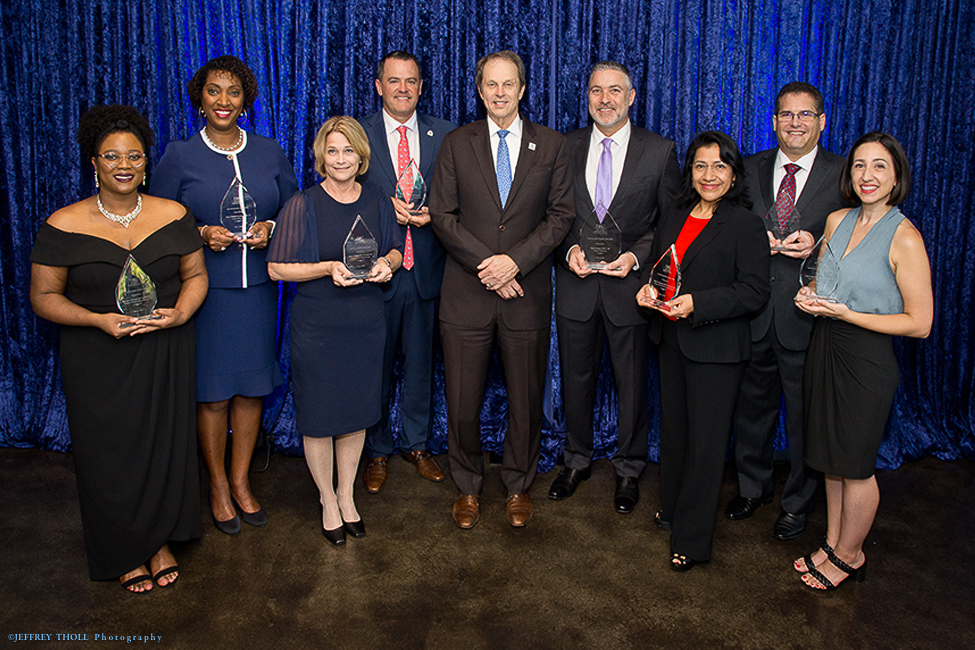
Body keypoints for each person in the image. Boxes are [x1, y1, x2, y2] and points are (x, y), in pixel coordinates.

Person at [30, 105, 207, 592]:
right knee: (110, 452)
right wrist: (95, 320)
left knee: (164, 445)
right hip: (97, 358)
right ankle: (124, 549)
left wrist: (182, 313)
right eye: (112, 157)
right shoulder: (63, 224)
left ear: (146, 162)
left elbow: (195, 277)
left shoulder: (173, 215)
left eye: (134, 156)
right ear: (95, 162)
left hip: (164, 350)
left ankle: (159, 541)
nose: (124, 165)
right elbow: (43, 297)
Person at [151, 55, 299, 536]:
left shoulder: (268, 150)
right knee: (213, 395)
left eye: (233, 92)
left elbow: (294, 209)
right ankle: (216, 486)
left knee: (252, 389)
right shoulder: (179, 155)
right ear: (200, 98)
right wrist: (198, 233)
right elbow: (157, 222)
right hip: (205, 295)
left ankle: (241, 481)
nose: (223, 101)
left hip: (257, 292)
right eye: (214, 91)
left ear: (246, 100)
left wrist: (271, 227)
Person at [429, 50, 574, 529]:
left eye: (508, 84)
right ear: (479, 89)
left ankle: (517, 484)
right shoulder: (456, 142)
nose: (499, 92)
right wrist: (486, 267)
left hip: (525, 294)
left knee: (526, 399)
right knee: (463, 402)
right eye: (490, 84)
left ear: (523, 89)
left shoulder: (551, 145)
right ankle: (467, 485)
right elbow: (443, 216)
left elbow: (560, 218)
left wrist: (514, 262)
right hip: (466, 296)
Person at [793, 132, 932, 590]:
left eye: (878, 167)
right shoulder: (836, 220)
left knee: (856, 465)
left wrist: (849, 313)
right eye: (858, 166)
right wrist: (809, 295)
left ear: (896, 178)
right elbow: (823, 282)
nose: (866, 175)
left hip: (866, 360)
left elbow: (920, 323)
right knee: (832, 460)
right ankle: (833, 543)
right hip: (825, 345)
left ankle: (851, 556)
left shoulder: (905, 237)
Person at [637, 131, 770, 571]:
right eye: (700, 165)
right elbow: (663, 269)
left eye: (719, 166)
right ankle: (674, 508)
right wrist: (647, 293)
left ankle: (692, 541)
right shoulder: (675, 214)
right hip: (672, 340)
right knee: (675, 436)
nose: (708, 175)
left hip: (716, 348)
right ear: (689, 171)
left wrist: (699, 304)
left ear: (734, 175)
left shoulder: (745, 223)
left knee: (707, 446)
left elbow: (754, 292)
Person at [550, 61, 680, 513]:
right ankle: (576, 460)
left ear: (631, 97)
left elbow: (669, 223)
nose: (604, 100)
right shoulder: (563, 147)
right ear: (587, 96)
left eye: (614, 91)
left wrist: (636, 258)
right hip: (577, 287)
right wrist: (568, 251)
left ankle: (629, 468)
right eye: (596, 91)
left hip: (630, 291)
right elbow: (554, 215)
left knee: (631, 385)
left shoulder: (660, 152)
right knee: (575, 381)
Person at [267, 116, 402, 545]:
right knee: (320, 417)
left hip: (365, 323)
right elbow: (276, 267)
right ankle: (326, 499)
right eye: (332, 151)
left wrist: (387, 265)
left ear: (361, 157)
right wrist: (327, 267)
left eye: (348, 151)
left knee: (356, 415)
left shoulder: (378, 198)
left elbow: (396, 249)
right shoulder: (303, 203)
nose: (341, 159)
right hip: (318, 326)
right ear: (321, 157)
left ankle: (347, 495)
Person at [727, 82, 846, 541]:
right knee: (750, 411)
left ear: (821, 121)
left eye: (805, 115)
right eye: (786, 115)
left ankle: (797, 502)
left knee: (803, 418)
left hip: (806, 317)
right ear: (774, 121)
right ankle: (752, 488)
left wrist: (819, 244)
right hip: (755, 311)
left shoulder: (842, 173)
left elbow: (858, 236)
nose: (795, 123)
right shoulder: (750, 167)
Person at [358, 51, 456, 493]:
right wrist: (382, 208)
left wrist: (435, 213)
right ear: (379, 85)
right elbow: (341, 189)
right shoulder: (358, 134)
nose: (402, 88)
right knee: (375, 366)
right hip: (376, 271)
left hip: (428, 271)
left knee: (420, 363)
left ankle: (417, 444)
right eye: (393, 81)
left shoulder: (446, 135)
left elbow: (459, 198)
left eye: (411, 81)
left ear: (421, 86)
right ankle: (376, 451)